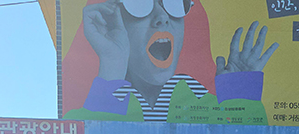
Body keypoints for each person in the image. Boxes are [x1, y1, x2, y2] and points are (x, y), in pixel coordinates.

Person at [66, 0, 278, 121]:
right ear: (112, 20)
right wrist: (111, 66)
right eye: (139, 4)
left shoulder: (210, 107)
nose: (162, 17)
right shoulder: (90, 107)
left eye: (175, 3)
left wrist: (240, 96)